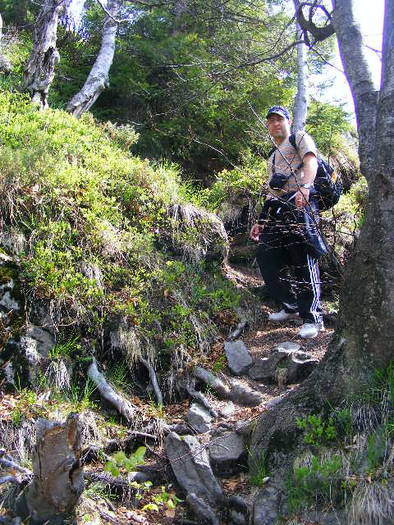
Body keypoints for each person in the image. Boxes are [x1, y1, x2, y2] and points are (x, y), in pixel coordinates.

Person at [250, 105, 327, 339]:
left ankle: (313, 318)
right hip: (279, 209)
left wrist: (306, 187)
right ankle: (290, 305)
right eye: (271, 120)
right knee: (266, 254)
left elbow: (311, 160)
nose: (275, 123)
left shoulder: (299, 137)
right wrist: (261, 221)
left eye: (279, 119)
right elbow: (271, 192)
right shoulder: (272, 155)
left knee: (303, 258)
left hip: (301, 204)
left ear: (288, 121)